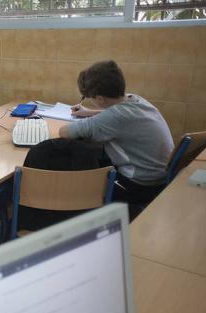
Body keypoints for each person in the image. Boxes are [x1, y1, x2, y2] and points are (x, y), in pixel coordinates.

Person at [59, 60, 174, 205]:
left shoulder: (116, 117)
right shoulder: (136, 100)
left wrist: (93, 119)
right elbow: (118, 116)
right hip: (159, 178)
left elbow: (65, 132)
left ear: (100, 98)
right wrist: (90, 112)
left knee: (77, 170)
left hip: (140, 186)